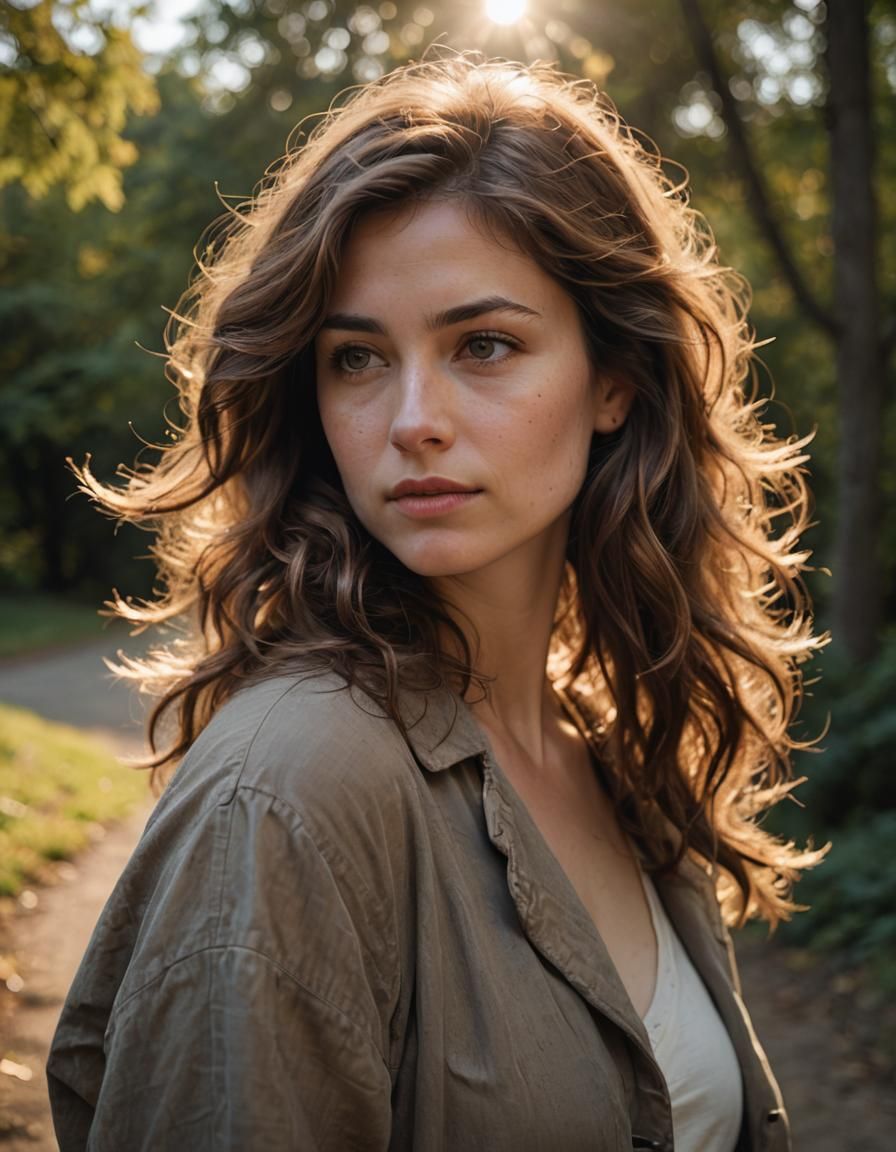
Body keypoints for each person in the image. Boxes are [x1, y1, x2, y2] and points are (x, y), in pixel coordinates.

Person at [46, 52, 825, 1152]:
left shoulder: (598, 747)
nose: (412, 417)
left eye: (485, 345)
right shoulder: (292, 787)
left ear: (615, 381)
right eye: (357, 359)